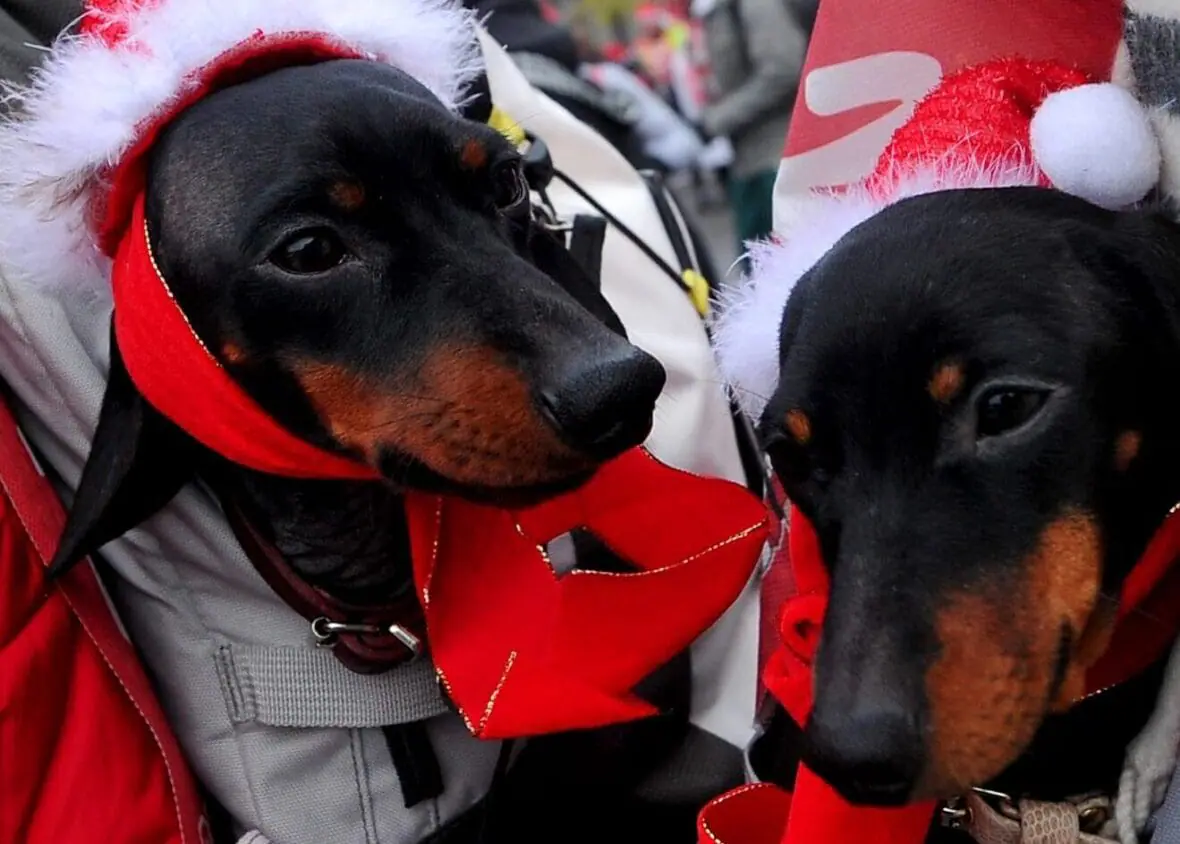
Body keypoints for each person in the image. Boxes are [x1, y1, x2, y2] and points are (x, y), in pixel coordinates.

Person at [691, 0, 807, 257]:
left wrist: (717, 120)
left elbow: (783, 69)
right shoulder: (711, 10)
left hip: (774, 163)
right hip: (748, 165)